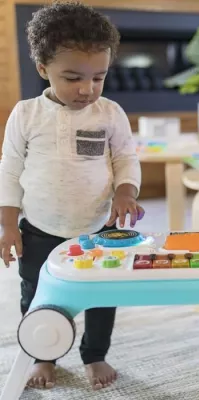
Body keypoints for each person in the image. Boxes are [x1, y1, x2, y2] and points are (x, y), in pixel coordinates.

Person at [0, 1, 144, 392]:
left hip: (97, 229)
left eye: (98, 77)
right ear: (43, 69)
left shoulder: (110, 113)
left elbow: (127, 159)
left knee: (101, 297)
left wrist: (126, 193)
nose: (87, 89)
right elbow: (10, 169)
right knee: (39, 296)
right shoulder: (26, 115)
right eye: (73, 77)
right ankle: (43, 355)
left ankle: (94, 354)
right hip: (40, 229)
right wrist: (8, 226)